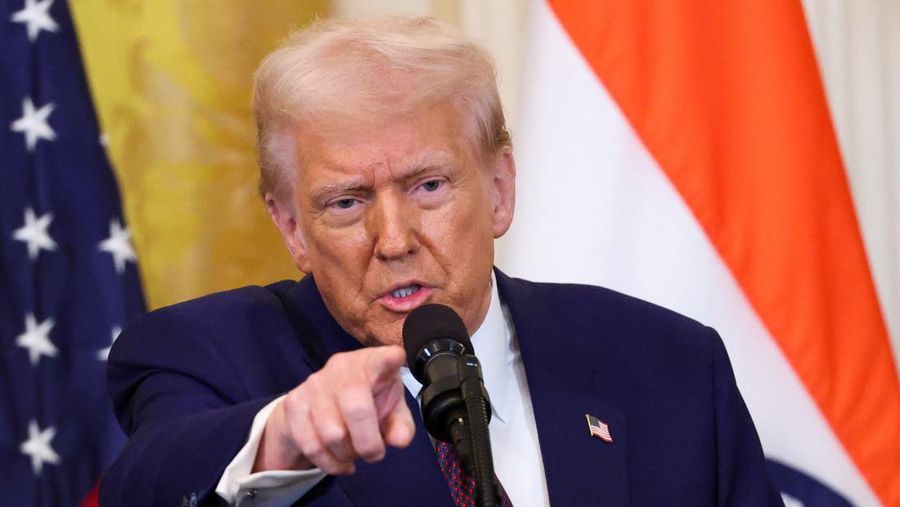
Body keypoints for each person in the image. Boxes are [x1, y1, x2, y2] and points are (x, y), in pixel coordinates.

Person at [100, 17, 782, 506]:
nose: (393, 239)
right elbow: (149, 481)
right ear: (291, 227)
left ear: (499, 190)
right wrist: (278, 440)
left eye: (428, 186)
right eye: (345, 202)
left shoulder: (669, 365)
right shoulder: (206, 355)